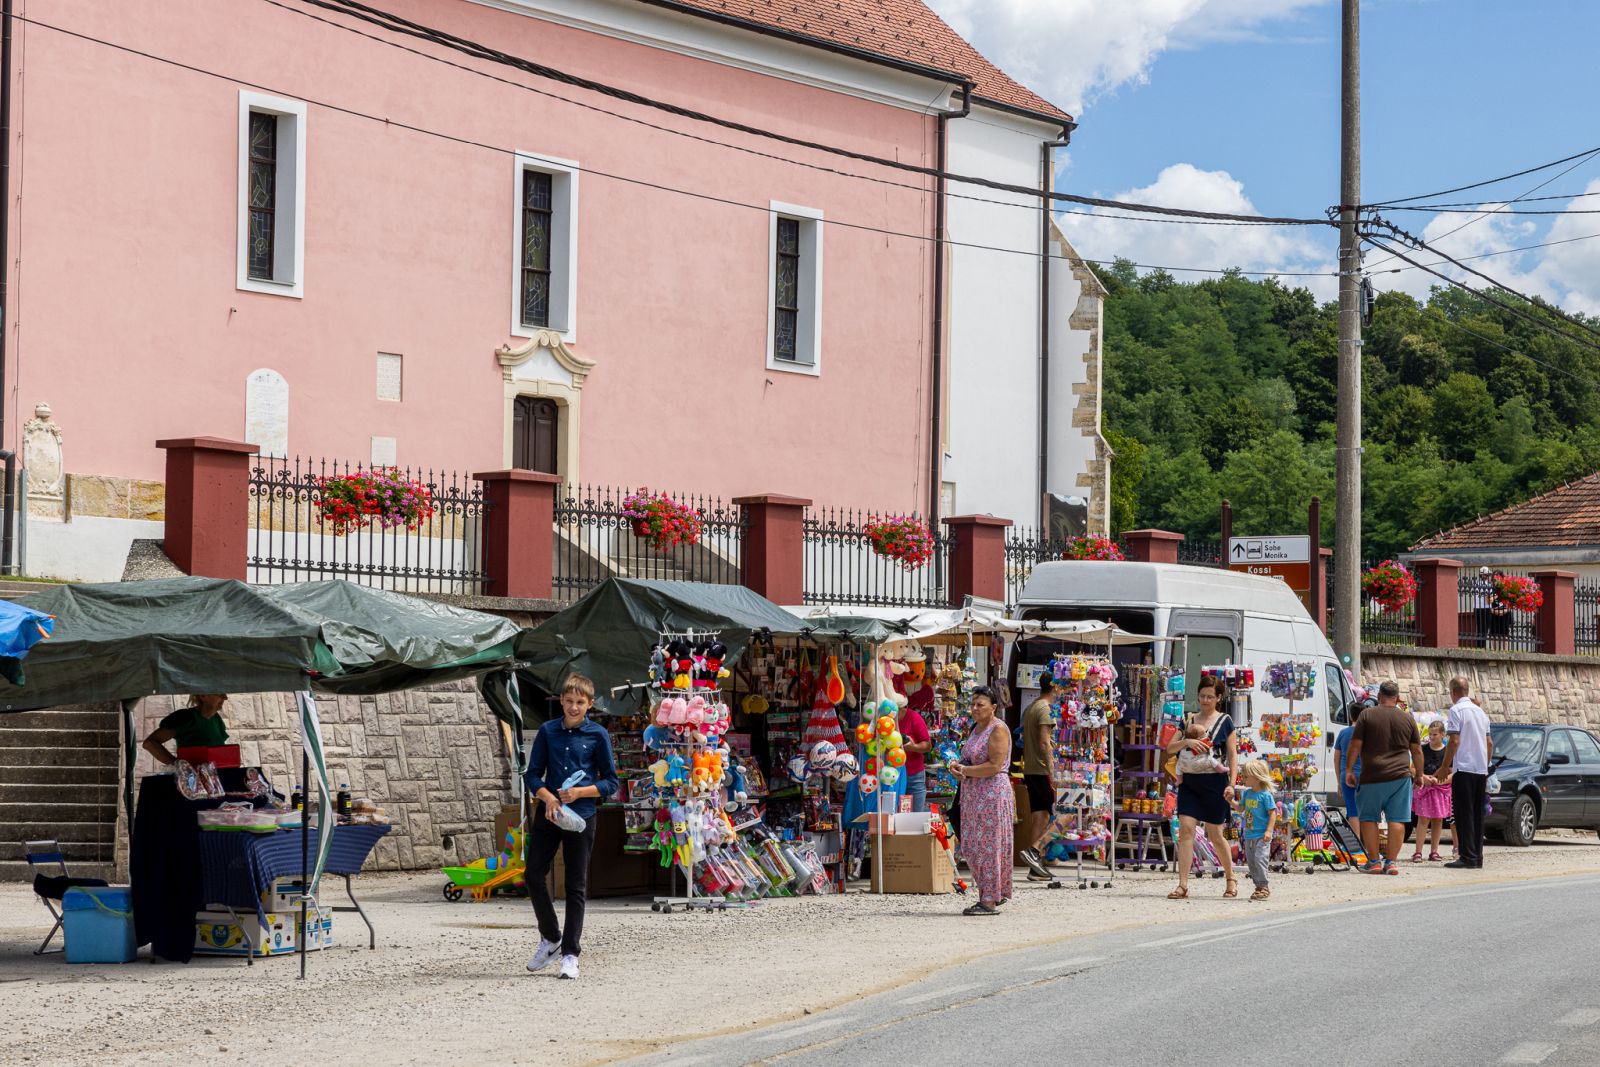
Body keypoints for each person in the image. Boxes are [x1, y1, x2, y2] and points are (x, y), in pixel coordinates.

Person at [524, 674, 618, 980]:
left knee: (575, 885)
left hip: (582, 816)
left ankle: (570, 954)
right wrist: (548, 797)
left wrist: (581, 792)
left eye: (580, 702)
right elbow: (533, 774)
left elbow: (611, 782)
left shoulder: (598, 735)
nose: (574, 707)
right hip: (550, 814)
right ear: (561, 701)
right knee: (533, 874)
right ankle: (551, 937)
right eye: (569, 701)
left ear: (590, 704)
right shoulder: (547, 731)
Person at [1166, 676, 1239, 900]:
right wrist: (1186, 742)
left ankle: (1230, 878)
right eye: (1202, 696)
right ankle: (1183, 884)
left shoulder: (1225, 721)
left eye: (1210, 696)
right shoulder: (1188, 719)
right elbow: (1170, 748)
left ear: (1218, 698)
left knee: (1216, 834)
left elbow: (1232, 755)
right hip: (1190, 782)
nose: (1205, 700)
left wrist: (1232, 784)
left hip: (1215, 783)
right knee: (1186, 830)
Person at [1345, 680, 1423, 875]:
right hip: (1400, 777)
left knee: (1369, 818)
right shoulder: (1407, 719)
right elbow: (1417, 751)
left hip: (1372, 775)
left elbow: (1355, 745)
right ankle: (1391, 862)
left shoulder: (1366, 715)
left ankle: (1374, 862)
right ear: (1397, 698)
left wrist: (1348, 770)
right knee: (1397, 819)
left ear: (1379, 696)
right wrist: (1420, 775)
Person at [953, 686, 1014, 916]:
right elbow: (970, 759)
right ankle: (990, 892)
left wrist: (965, 770)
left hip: (991, 795)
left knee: (989, 846)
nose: (975, 709)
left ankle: (989, 900)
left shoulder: (998, 729)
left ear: (993, 707)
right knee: (972, 845)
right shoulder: (976, 729)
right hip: (973, 795)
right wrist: (957, 768)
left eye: (980, 705)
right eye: (973, 704)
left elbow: (994, 766)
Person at [1440, 676, 1493, 869]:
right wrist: (1485, 764)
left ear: (1453, 692)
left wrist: (1444, 766)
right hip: (1480, 769)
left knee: (1464, 813)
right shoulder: (1481, 713)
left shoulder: (1456, 710)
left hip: (1463, 768)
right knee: (1478, 814)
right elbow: (1489, 743)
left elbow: (1454, 741)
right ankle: (1477, 856)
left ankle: (1467, 856)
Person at [1018, 675, 1058, 881]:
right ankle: (1034, 851)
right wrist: (1053, 771)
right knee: (1065, 816)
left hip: (1032, 769)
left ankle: (1035, 866)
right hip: (1042, 770)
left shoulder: (1033, 706)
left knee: (1040, 817)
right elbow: (1044, 742)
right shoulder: (1044, 709)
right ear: (1056, 687)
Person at [141, 694, 230, 766]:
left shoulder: (217, 719)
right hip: (193, 780)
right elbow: (150, 743)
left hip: (215, 779)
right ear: (203, 696)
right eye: (219, 694)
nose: (225, 697)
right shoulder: (186, 717)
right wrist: (179, 765)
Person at [1234, 759, 1278, 902]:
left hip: (1262, 835)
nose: (1243, 778)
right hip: (1249, 835)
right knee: (1252, 862)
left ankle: (1264, 886)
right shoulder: (1247, 794)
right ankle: (1258, 886)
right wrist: (1230, 800)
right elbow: (1240, 808)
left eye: (1246, 776)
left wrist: (1269, 831)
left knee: (1260, 858)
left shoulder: (1265, 795)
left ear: (1257, 777)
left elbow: (1273, 813)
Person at [1412, 720, 1452, 863]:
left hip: (1441, 790)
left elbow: (1453, 772)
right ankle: (1418, 852)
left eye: (1435, 734)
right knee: (1423, 819)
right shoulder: (1422, 749)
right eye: (1430, 734)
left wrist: (1440, 781)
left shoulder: (1448, 752)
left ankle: (1434, 851)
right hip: (1425, 789)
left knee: (1438, 820)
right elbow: (1413, 768)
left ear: (1443, 734)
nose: (1431, 737)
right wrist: (1423, 777)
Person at [1333, 701, 1366, 840]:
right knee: (1366, 810)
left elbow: (1336, 758)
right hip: (1365, 776)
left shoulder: (1343, 733)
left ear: (1351, 716)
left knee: (1352, 810)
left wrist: (1338, 781)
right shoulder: (1368, 734)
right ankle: (1368, 842)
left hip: (1346, 775)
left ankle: (1357, 842)